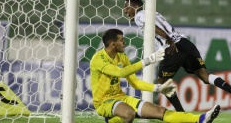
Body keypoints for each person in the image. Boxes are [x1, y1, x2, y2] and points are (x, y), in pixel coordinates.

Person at [123, 0, 231, 112]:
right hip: (185, 43)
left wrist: (168, 39)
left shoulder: (139, 16)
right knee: (205, 76)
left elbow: (154, 27)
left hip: (171, 47)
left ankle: (181, 113)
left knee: (162, 82)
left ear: (135, 6)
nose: (125, 11)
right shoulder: (153, 13)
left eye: (127, 7)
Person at [90, 28, 220, 123]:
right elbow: (120, 73)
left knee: (160, 112)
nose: (124, 43)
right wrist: (148, 60)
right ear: (113, 44)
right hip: (103, 102)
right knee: (128, 114)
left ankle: (200, 119)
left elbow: (135, 82)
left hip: (121, 98)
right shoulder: (98, 59)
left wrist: (158, 88)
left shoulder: (121, 56)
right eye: (122, 40)